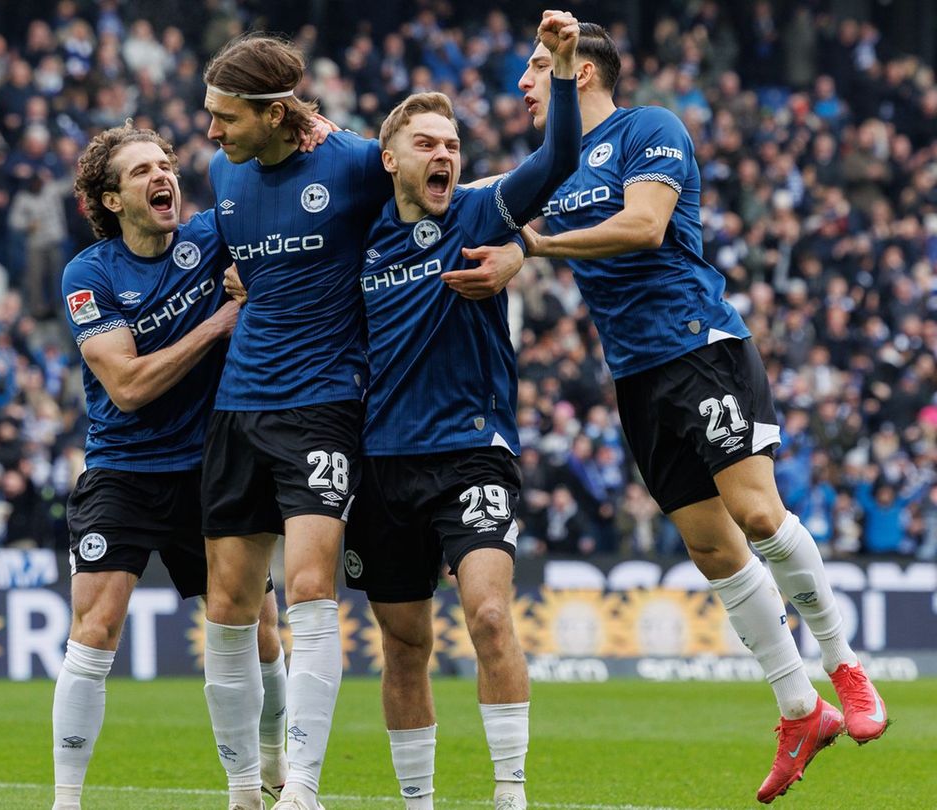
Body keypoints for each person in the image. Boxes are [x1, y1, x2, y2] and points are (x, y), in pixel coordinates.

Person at [514, 23, 886, 803]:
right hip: (636, 377)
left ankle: (846, 666)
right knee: (712, 551)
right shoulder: (547, 168)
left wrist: (540, 247)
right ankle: (798, 709)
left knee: (756, 513)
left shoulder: (648, 127)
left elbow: (647, 226)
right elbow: (468, 202)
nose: (525, 84)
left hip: (697, 346)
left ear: (580, 73)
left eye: (539, 69)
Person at [345, 14, 579, 810]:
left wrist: (568, 68)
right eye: (426, 143)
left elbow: (560, 159)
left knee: (486, 612)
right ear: (391, 161)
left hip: (473, 453)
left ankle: (509, 797)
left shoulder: (480, 215)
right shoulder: (360, 239)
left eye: (451, 143)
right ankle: (420, 803)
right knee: (404, 643)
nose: (444, 153)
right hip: (381, 465)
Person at [51, 124, 300, 810]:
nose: (164, 176)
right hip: (123, 470)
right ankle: (65, 800)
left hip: (214, 469)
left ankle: (268, 767)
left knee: (260, 630)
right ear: (111, 198)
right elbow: (127, 388)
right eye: (142, 172)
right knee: (94, 629)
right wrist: (220, 321)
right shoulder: (90, 273)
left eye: (166, 165)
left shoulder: (212, 234)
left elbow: (288, 219)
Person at [197, 33, 388, 810]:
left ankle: (303, 788)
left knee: (309, 589)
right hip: (238, 408)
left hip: (322, 405)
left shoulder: (354, 162)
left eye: (227, 117)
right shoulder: (221, 173)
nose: (213, 133)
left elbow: (441, 183)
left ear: (277, 114)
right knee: (228, 608)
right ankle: (246, 788)